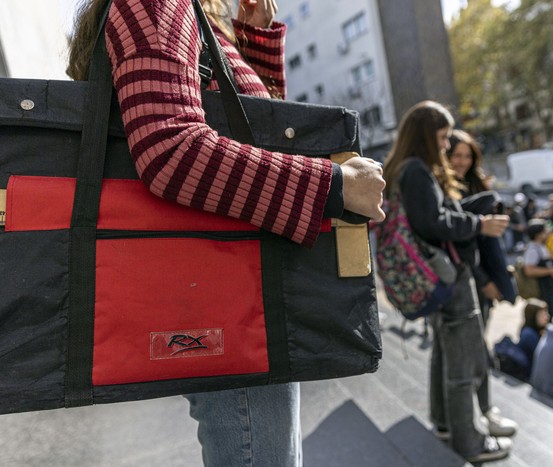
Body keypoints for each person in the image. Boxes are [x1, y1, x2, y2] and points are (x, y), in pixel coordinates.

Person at [68, 1, 385, 465]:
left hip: (235, 290)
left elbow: (256, 129)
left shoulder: (191, 16)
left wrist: (253, 37)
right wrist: (335, 185)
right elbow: (169, 148)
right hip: (229, 298)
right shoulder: (159, 5)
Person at [383, 101, 513, 463]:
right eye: (441, 137)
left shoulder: (405, 170)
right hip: (450, 278)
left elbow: (432, 215)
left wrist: (472, 207)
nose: (445, 144)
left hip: (435, 277)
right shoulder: (417, 171)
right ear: (426, 136)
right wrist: (479, 224)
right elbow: (433, 223)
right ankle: (469, 442)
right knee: (463, 364)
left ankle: (444, 423)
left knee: (445, 354)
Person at [446, 129, 519, 440]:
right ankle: (483, 414)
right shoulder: (445, 192)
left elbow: (488, 244)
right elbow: (459, 248)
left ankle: (470, 415)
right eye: (456, 155)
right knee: (473, 353)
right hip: (466, 282)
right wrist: (486, 281)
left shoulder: (474, 186)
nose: (462, 161)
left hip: (478, 279)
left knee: (471, 350)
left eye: (467, 156)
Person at [523, 219, 553, 318]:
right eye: (545, 231)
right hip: (543, 292)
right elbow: (529, 270)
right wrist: (550, 271)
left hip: (551, 289)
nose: (548, 232)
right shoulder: (532, 249)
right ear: (538, 234)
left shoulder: (542, 246)